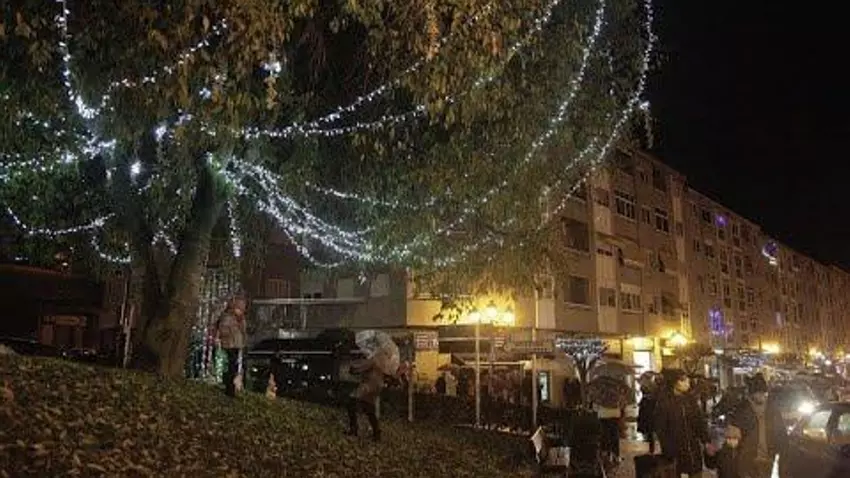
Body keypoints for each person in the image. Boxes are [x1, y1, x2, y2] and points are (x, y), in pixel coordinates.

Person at [654, 368, 714, 478]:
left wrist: (706, 441)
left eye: (687, 379)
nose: (687, 382)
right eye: (683, 380)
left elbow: (699, 422)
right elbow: (661, 430)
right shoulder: (664, 403)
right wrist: (668, 452)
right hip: (675, 453)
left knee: (696, 473)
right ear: (674, 383)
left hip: (693, 450)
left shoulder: (690, 400)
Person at [728, 374, 787, 478]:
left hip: (767, 459)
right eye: (758, 392)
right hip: (747, 461)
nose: (762, 396)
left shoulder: (773, 410)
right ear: (751, 394)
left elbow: (781, 433)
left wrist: (782, 453)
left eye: (763, 393)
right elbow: (732, 439)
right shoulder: (741, 410)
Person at [215, 295, 247, 398]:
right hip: (229, 344)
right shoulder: (227, 317)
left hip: (236, 344)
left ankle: (231, 387)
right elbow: (223, 330)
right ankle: (229, 387)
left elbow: (243, 331)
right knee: (231, 365)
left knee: (234, 366)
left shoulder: (240, 319)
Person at [346, 357, 384, 442]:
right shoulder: (379, 361)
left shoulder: (371, 360)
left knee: (352, 402)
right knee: (369, 409)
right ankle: (376, 434)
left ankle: (354, 430)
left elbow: (357, 370)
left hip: (368, 385)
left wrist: (352, 367)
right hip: (376, 387)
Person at [637, 375, 658, 453]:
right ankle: (651, 447)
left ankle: (651, 447)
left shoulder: (648, 386)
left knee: (649, 427)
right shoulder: (652, 385)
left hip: (647, 407)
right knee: (650, 428)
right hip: (648, 407)